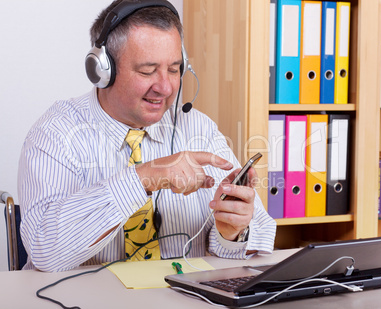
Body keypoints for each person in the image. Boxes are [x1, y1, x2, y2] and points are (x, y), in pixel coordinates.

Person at [18, 0, 276, 272]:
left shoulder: (198, 129)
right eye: (147, 71)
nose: (165, 87)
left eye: (175, 69)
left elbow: (259, 232)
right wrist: (144, 177)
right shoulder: (57, 131)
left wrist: (230, 232)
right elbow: (44, 251)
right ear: (103, 70)